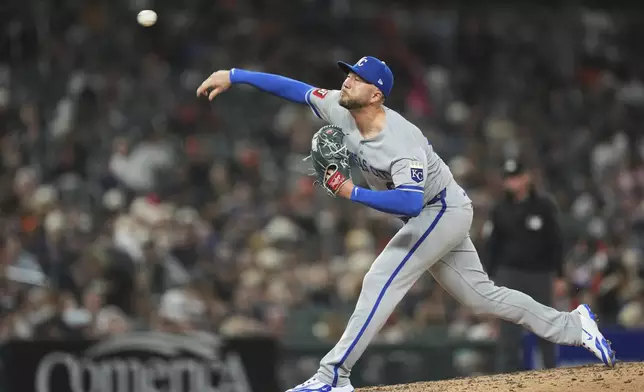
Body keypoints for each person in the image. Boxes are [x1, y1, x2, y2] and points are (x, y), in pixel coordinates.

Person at [196, 56, 616, 392]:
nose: (346, 82)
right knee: (482, 299)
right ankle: (574, 326)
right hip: (438, 209)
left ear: (376, 94)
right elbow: (294, 88)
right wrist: (236, 75)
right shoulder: (341, 110)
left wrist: (351, 193)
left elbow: (410, 204)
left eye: (356, 79)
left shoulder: (399, 142)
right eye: (348, 75)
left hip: (440, 209)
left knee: (381, 276)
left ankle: (333, 376)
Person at [485, 159, 565, 372]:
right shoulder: (500, 210)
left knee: (546, 325)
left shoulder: (544, 206)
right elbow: (493, 246)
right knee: (509, 331)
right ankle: (508, 378)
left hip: (539, 275)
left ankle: (551, 374)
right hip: (509, 275)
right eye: (509, 178)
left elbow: (555, 241)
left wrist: (559, 275)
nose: (514, 182)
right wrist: (489, 279)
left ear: (527, 177)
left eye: (517, 176)